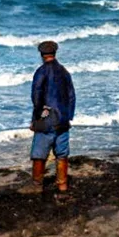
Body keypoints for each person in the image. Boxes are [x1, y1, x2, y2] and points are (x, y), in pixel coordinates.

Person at [21, 40, 76, 194]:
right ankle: (62, 185)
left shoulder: (41, 72)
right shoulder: (64, 71)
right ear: (54, 53)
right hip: (63, 120)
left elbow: (36, 97)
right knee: (62, 154)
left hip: (46, 120)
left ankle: (37, 184)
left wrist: (36, 120)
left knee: (39, 154)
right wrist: (68, 116)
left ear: (42, 55)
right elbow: (72, 96)